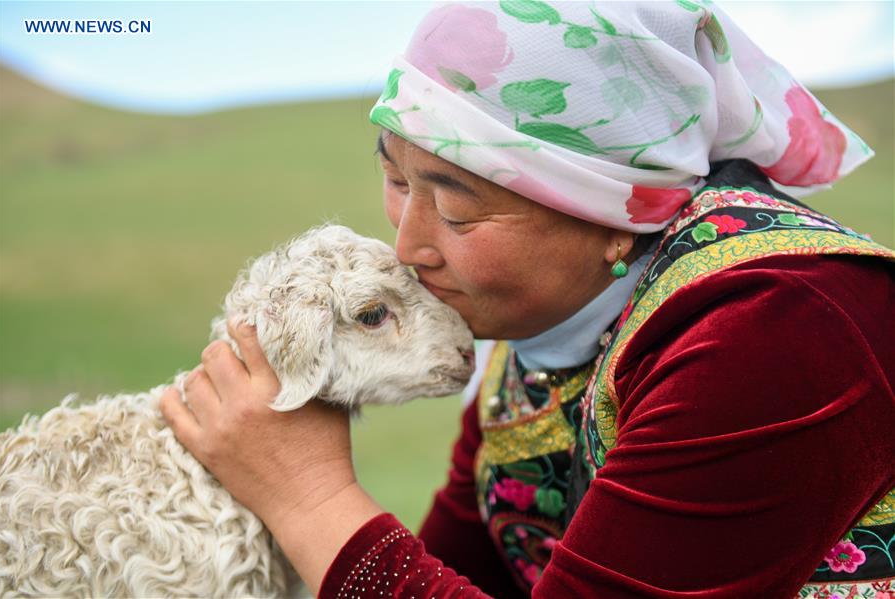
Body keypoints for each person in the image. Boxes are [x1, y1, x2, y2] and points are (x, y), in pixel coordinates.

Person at [160, 2, 895, 597]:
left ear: (615, 213)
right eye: (396, 179)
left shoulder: (776, 329)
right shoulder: (536, 341)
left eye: (456, 208)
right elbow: (458, 568)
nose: (409, 245)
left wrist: (310, 500)